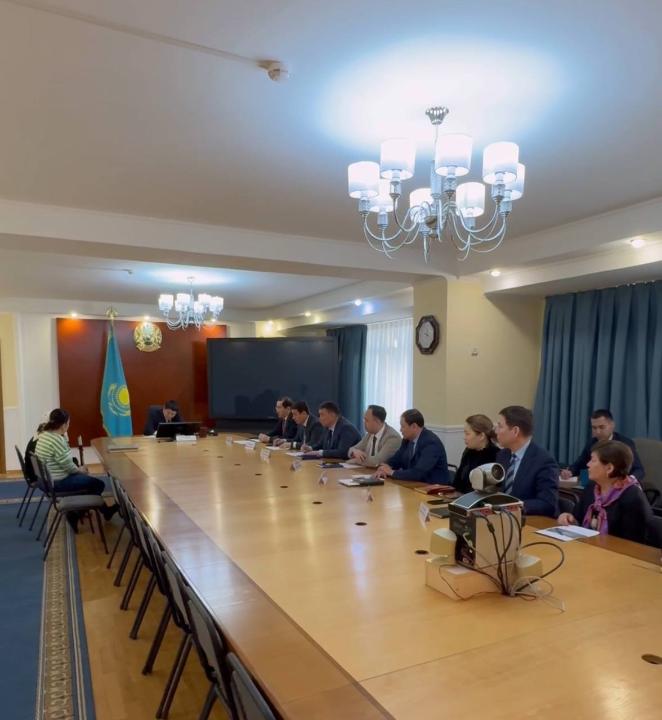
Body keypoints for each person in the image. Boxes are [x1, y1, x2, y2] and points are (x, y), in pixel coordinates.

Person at [558, 440, 652, 544]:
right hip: (588, 547)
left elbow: (633, 544)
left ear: (609, 468)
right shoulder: (592, 487)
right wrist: (569, 518)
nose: (588, 464)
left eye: (593, 460)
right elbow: (577, 518)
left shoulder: (632, 497)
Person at [34, 408, 118, 525]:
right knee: (98, 484)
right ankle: (77, 514)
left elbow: (64, 462)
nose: (68, 426)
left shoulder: (44, 435)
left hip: (45, 481)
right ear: (64, 425)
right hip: (57, 482)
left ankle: (92, 512)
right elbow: (68, 467)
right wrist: (80, 470)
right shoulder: (57, 440)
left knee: (89, 484)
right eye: (68, 423)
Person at [495, 406, 559, 517]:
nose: (496, 431)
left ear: (515, 431)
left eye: (500, 426)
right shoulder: (502, 455)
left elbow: (547, 503)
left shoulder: (543, 461)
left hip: (529, 520)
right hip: (501, 518)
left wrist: (512, 507)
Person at [561, 409, 645, 482]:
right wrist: (570, 471)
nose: (597, 432)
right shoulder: (592, 442)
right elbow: (580, 463)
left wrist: (628, 480)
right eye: (594, 428)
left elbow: (639, 470)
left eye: (602, 427)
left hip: (618, 484)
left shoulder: (624, 443)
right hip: (595, 483)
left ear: (612, 425)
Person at [375, 409, 449, 484]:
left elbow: (418, 473)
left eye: (403, 426)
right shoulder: (407, 440)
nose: (400, 430)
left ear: (414, 426)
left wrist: (391, 472)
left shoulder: (431, 443)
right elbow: (396, 459)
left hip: (433, 487)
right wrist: (385, 467)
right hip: (413, 484)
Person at [453, 414, 500, 493]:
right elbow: (457, 482)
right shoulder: (468, 451)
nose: (464, 437)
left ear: (481, 436)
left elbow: (487, 491)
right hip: (461, 497)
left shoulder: (495, 455)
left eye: (467, 434)